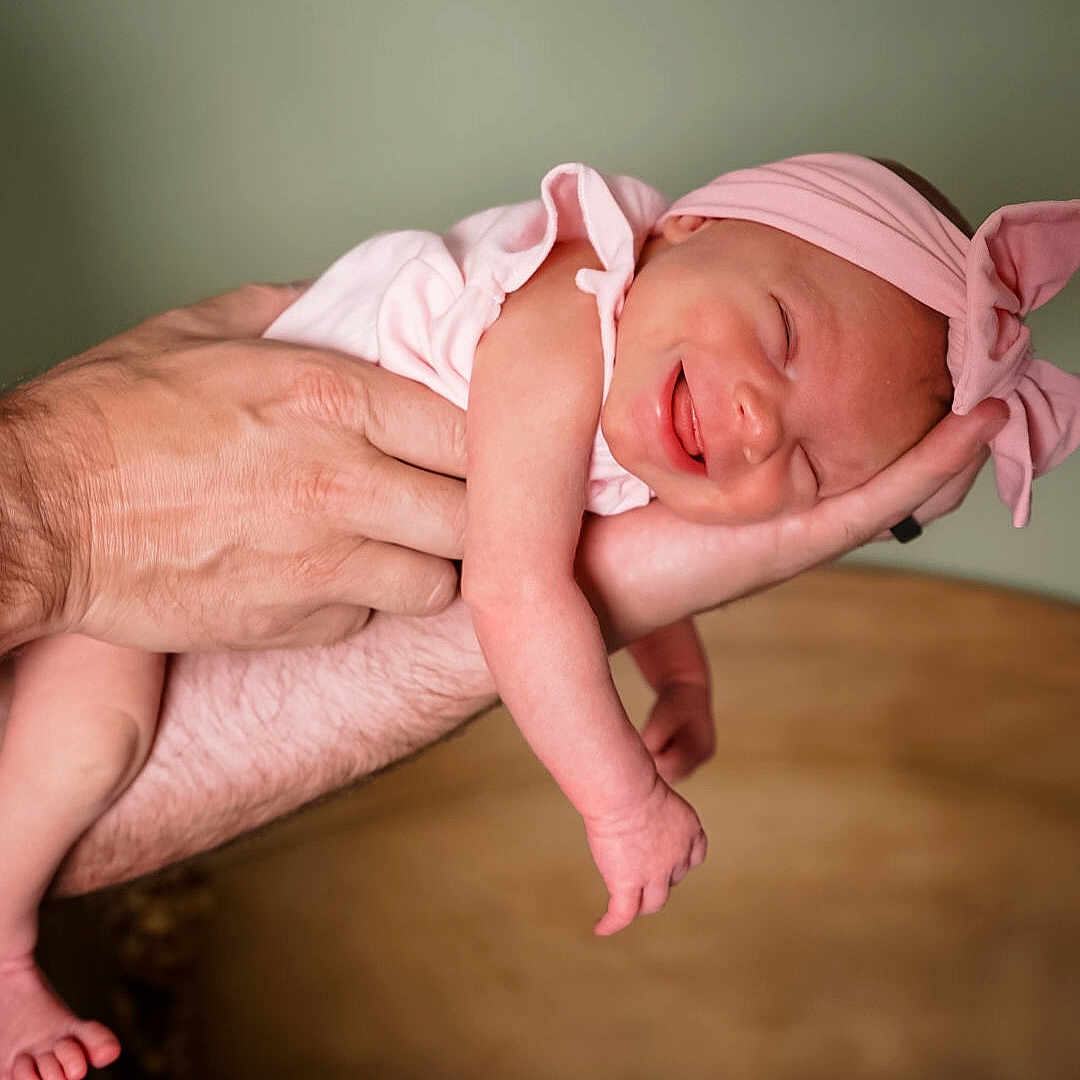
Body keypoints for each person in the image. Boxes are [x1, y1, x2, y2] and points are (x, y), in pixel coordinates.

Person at [7, 147, 1074, 1076]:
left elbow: (571, 530)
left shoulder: (646, 376)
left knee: (102, 739)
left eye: (807, 466)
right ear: (693, 226)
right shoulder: (567, 314)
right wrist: (622, 804)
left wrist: (679, 674)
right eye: (784, 332)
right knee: (92, 737)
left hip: (224, 570)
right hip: (145, 530)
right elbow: (518, 588)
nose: (757, 423)